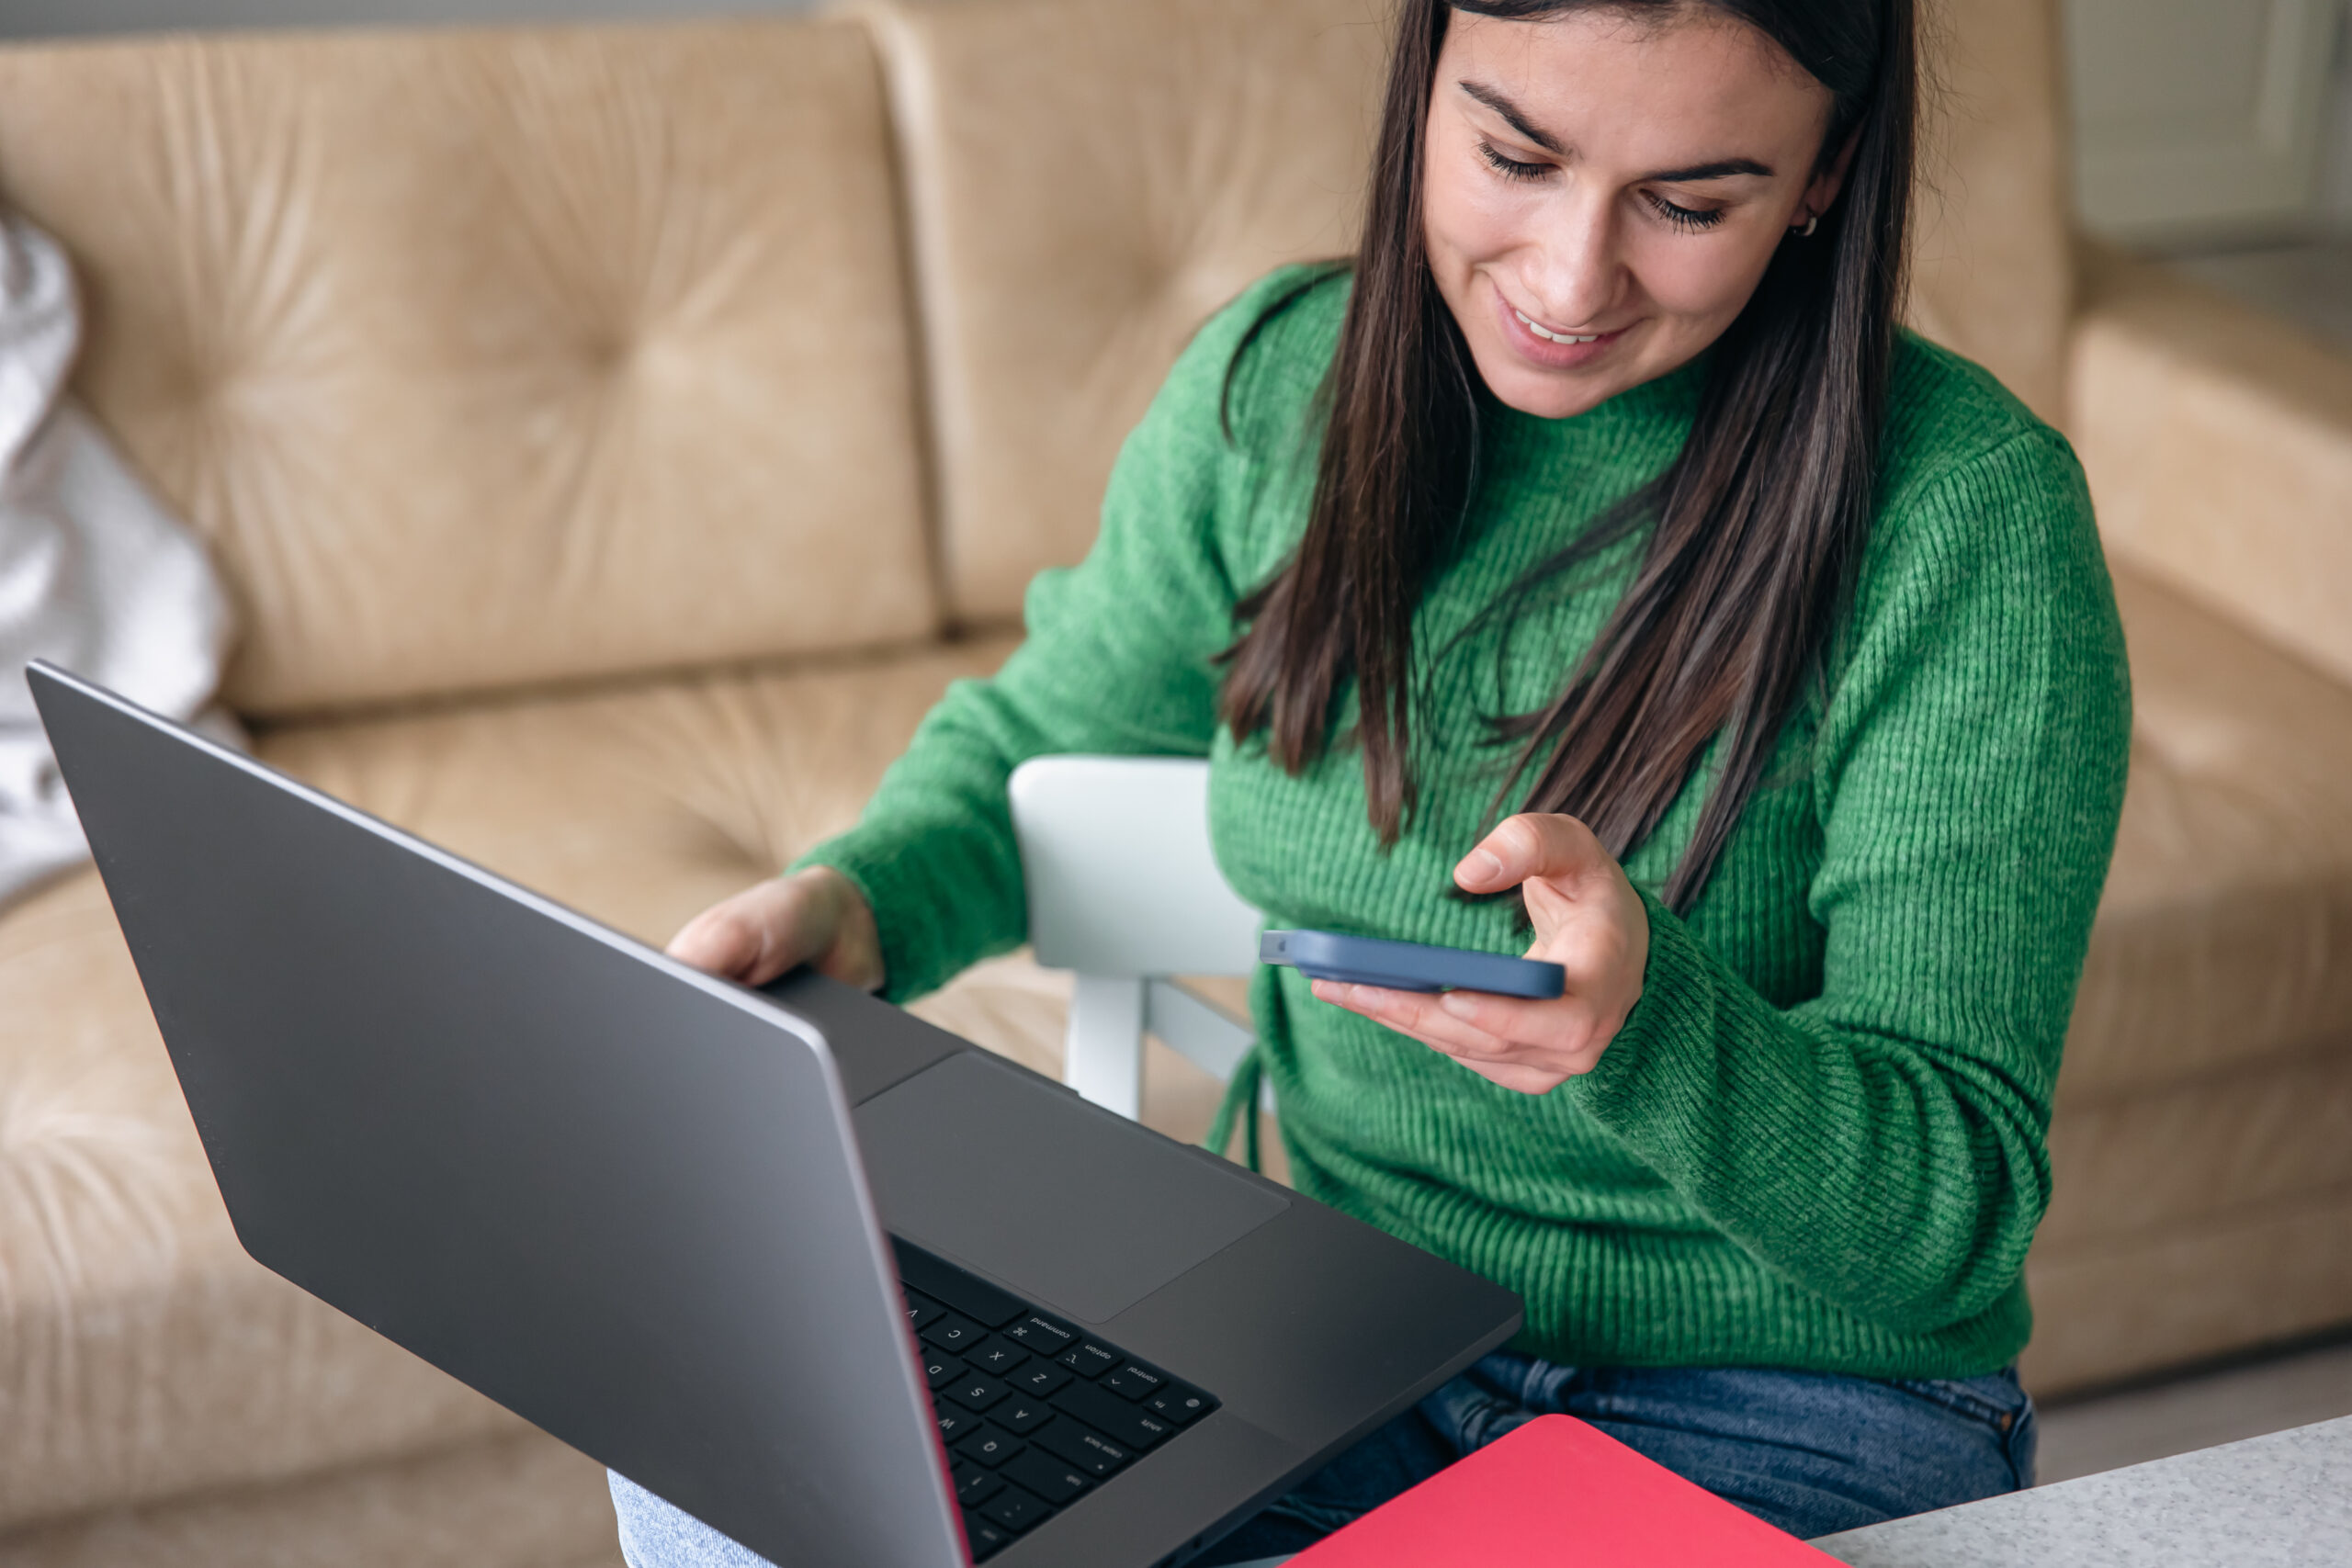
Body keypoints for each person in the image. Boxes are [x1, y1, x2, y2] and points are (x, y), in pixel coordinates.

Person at [613, 0, 2131, 1561]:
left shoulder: (1966, 521)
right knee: (721, 1454)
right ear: (1422, 91)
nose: (1567, 276)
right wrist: (856, 905)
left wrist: (1647, 1027)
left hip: (1774, 1401)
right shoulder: (1278, 390)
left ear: (1826, 177)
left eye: (1688, 203)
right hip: (1332, 1336)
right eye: (1514, 154)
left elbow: (1949, 1225)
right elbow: (1040, 745)